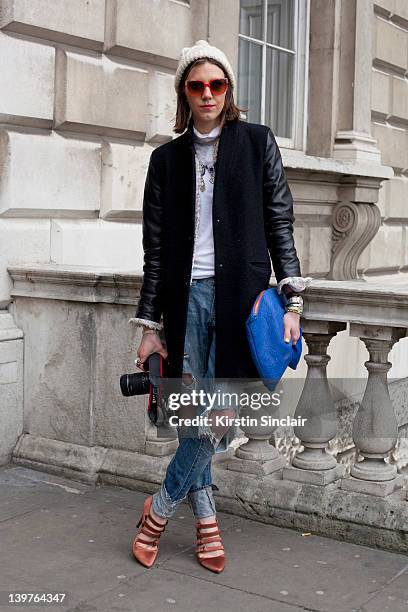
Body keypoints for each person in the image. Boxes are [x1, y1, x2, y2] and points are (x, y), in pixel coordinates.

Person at [128, 40, 310, 573]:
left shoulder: (257, 143)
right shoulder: (165, 160)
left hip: (240, 304)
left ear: (228, 91)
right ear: (184, 93)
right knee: (193, 414)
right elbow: (155, 249)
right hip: (183, 304)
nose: (208, 94)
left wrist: (293, 300)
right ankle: (206, 518)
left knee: (221, 418)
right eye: (197, 85)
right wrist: (150, 324)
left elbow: (280, 221)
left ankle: (159, 510)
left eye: (217, 84)